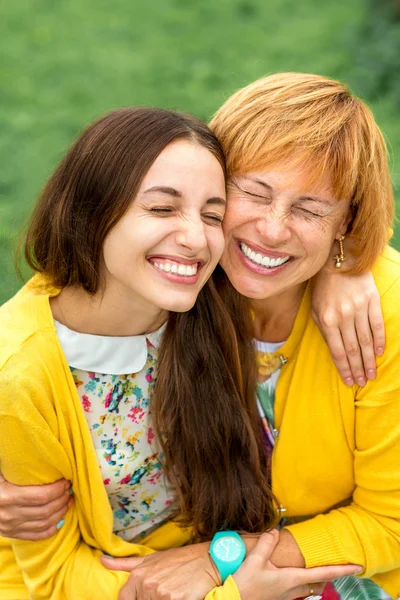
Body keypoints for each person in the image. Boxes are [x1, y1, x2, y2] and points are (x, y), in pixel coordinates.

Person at [0, 106, 359, 600]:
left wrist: (349, 271)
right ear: (90, 209)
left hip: (232, 557)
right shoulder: (22, 376)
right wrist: (227, 594)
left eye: (212, 214)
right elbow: (49, 576)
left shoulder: (211, 295)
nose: (196, 240)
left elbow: (306, 232)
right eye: (163, 209)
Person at [93, 73, 399, 600]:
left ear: (345, 222)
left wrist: (218, 559)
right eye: (253, 193)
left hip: (347, 570)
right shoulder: (176, 264)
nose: (273, 229)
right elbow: (53, 310)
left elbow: (389, 524)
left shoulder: (383, 316)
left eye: (310, 210)